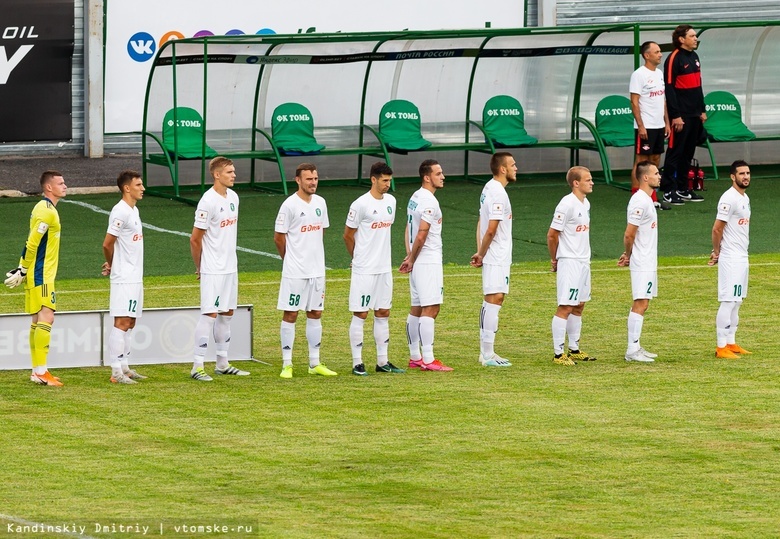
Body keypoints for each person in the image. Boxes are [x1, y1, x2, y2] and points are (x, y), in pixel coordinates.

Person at [4, 171, 68, 386]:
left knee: (36, 321)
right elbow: (32, 242)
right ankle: (41, 371)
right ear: (49, 187)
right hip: (41, 274)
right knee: (46, 318)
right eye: (60, 183)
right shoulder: (47, 211)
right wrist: (22, 269)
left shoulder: (44, 209)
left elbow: (31, 242)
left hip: (37, 273)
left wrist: (23, 268)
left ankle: (37, 371)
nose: (65, 186)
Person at [189, 157, 250, 381]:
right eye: (229, 172)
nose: (234, 175)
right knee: (209, 314)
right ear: (217, 174)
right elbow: (195, 239)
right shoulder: (207, 202)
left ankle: (222, 363)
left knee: (227, 313)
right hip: (213, 268)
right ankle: (197, 366)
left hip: (230, 267)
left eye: (234, 171)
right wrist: (200, 266)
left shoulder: (233, 197)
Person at [274, 163, 337, 378]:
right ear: (298, 180)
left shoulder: (321, 203)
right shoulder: (289, 205)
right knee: (291, 314)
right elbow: (279, 237)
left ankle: (314, 363)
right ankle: (287, 364)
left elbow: (321, 232)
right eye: (309, 179)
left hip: (317, 271)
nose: (313, 183)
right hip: (295, 272)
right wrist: (290, 259)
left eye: (316, 178)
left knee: (315, 313)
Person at [343, 162, 404, 376]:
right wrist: (357, 257)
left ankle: (382, 361)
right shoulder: (360, 204)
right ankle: (357, 362)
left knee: (383, 312)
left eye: (389, 180)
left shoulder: (391, 202)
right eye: (384, 180)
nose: (388, 184)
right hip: (364, 269)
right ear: (373, 179)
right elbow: (348, 235)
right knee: (360, 313)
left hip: (384, 268)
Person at [400, 159, 452, 371]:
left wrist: (409, 255)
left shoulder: (415, 196)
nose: (443, 176)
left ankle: (415, 356)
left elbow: (408, 227)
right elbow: (421, 233)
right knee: (431, 308)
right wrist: (412, 257)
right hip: (427, 259)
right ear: (427, 177)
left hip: (417, 259)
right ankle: (429, 359)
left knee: (417, 308)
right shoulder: (430, 202)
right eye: (438, 173)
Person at [101, 170, 148, 384]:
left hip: (135, 276)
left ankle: (125, 367)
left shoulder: (133, 211)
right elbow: (107, 243)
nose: (143, 188)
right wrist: (112, 264)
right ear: (127, 188)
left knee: (130, 322)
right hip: (124, 277)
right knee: (121, 322)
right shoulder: (120, 211)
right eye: (139, 185)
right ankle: (115, 372)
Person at [547, 166, 597, 366]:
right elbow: (552, 235)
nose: (592, 182)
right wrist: (555, 259)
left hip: (584, 262)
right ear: (576, 183)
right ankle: (558, 354)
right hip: (569, 262)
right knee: (566, 306)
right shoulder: (566, 204)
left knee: (579, 305)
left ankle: (574, 349)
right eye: (588, 179)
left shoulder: (586, 204)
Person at [470, 152, 516, 367]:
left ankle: (488, 352)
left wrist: (480, 250)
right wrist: (481, 252)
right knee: (493, 298)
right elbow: (491, 228)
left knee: (497, 298)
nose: (516, 168)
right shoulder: (497, 193)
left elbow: (481, 219)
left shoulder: (489, 188)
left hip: (496, 254)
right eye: (513, 165)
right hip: (495, 254)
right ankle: (486, 354)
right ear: (503, 169)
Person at [618, 160, 661, 363]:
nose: (659, 176)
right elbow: (629, 234)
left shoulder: (647, 200)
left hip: (648, 260)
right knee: (640, 302)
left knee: (645, 303)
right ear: (645, 177)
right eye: (655, 173)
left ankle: (635, 346)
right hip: (642, 260)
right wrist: (628, 255)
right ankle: (631, 350)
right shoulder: (639, 201)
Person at [709, 160, 752, 359]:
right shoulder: (729, 198)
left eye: (748, 173)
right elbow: (717, 228)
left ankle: (731, 342)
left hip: (742, 256)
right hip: (731, 257)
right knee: (728, 301)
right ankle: (720, 347)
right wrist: (717, 251)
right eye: (741, 173)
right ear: (732, 177)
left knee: (737, 301)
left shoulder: (745, 198)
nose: (746, 177)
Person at [661, 24, 706, 205]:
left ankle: (682, 188)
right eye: (692, 36)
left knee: (688, 152)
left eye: (696, 36)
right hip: (681, 116)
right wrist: (675, 115)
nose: (696, 39)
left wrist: (702, 109)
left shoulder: (694, 57)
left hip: (695, 114)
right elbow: (669, 89)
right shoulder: (673, 58)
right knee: (675, 152)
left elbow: (699, 84)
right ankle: (668, 190)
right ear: (681, 39)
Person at [629, 40, 671, 210]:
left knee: (655, 160)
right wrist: (641, 126)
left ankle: (652, 197)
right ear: (647, 55)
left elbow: (663, 100)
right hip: (645, 126)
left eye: (660, 51)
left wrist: (667, 122)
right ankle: (636, 198)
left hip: (659, 125)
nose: (660, 54)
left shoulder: (659, 73)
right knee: (641, 162)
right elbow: (634, 102)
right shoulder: (639, 75)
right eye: (657, 52)